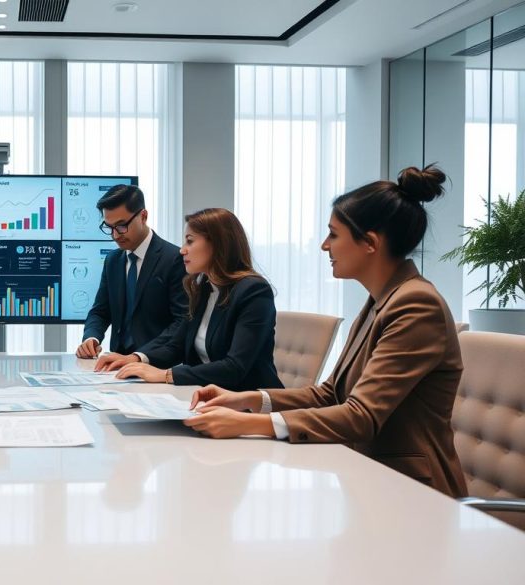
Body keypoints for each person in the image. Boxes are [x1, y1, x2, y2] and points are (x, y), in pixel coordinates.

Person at [185, 166, 468, 498]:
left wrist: (248, 424)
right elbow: (331, 394)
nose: (323, 246)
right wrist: (249, 400)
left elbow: (361, 416)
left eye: (333, 234)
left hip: (413, 493)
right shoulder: (382, 300)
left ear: (370, 243)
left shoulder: (416, 304)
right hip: (365, 476)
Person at [100, 208, 282, 390]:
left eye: (190, 241)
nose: (182, 250)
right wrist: (134, 359)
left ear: (218, 244)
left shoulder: (254, 292)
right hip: (207, 396)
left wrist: (166, 375)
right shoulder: (203, 289)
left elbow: (234, 367)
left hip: (250, 403)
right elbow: (176, 346)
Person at [75, 184, 186, 359]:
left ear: (143, 216)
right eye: (109, 227)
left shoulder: (174, 259)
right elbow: (100, 311)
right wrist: (92, 337)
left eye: (121, 225)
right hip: (116, 365)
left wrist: (139, 356)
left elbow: (182, 322)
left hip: (156, 365)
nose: (115, 235)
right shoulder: (112, 260)